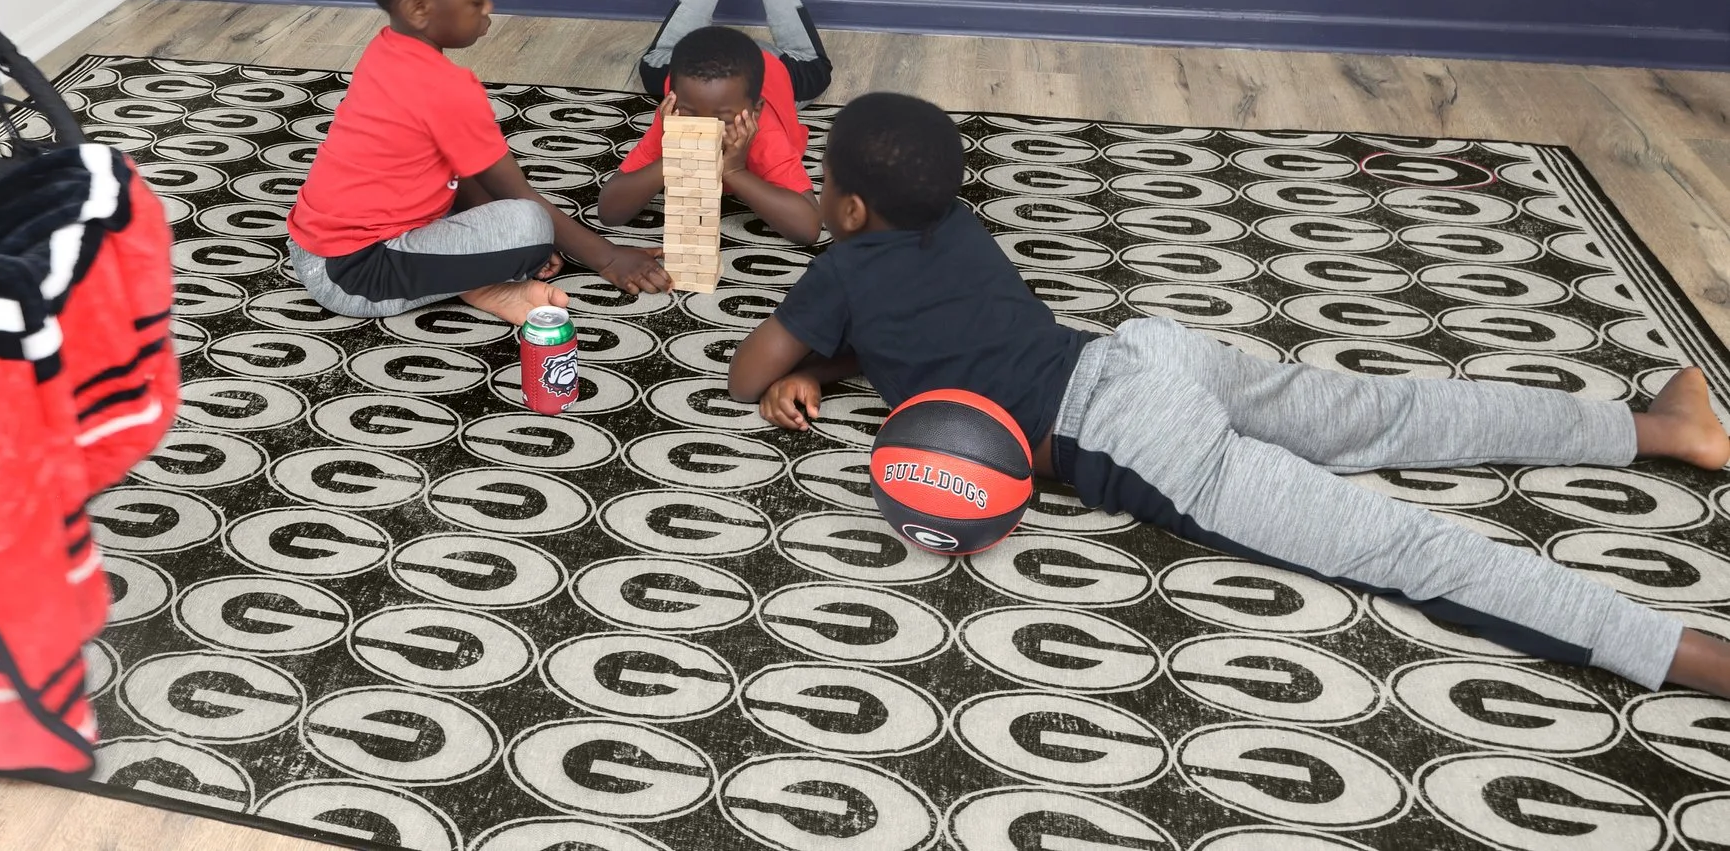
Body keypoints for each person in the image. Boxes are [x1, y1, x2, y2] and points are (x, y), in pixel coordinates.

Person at [728, 90, 1730, 698]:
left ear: (846, 206)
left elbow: (745, 372)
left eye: (822, 183)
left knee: (1397, 545)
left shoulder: (841, 271)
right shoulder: (957, 224)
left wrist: (799, 357)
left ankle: (1687, 655)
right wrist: (826, 365)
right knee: (1386, 410)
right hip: (1151, 353)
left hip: (1126, 434)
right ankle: (1659, 426)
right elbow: (923, 330)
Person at [287, 0, 670, 327]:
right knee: (530, 227)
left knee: (500, 215)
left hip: (313, 246)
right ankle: (482, 283)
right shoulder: (448, 88)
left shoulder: (383, 51)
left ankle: (482, 281)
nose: (489, 6)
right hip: (354, 274)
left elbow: (459, 167)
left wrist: (490, 239)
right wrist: (609, 258)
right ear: (418, 9)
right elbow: (518, 196)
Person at [597, 0, 826, 243]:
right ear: (672, 100)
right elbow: (609, 211)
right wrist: (671, 156)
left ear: (755, 111)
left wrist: (735, 170)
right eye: (691, 114)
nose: (704, 128)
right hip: (699, 70)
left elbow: (808, 228)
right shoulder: (673, 118)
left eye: (722, 118)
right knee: (654, 66)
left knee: (815, 69)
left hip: (776, 67)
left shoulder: (762, 131)